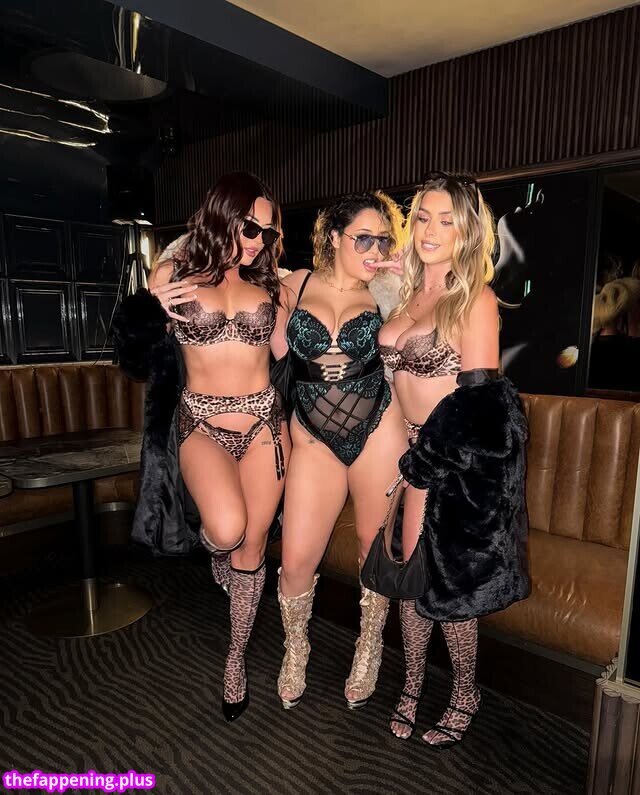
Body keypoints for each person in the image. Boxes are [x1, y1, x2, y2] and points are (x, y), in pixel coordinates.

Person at [113, 172, 291, 723]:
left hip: (265, 427)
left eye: (268, 231)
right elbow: (134, 355)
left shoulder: (273, 286)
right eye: (250, 227)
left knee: (253, 548)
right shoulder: (173, 274)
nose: (259, 240)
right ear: (222, 216)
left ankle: (235, 661)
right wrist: (148, 307)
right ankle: (219, 558)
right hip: (202, 425)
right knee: (228, 530)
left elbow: (293, 352)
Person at [377, 172, 530, 748]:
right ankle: (413, 684)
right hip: (403, 454)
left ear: (468, 232)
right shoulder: (406, 294)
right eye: (422, 217)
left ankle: (465, 692)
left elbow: (482, 404)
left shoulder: (477, 299)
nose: (430, 230)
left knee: (448, 587)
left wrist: (424, 461)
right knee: (410, 575)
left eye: (447, 221)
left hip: (449, 466)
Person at [275, 193, 409, 710]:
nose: (375, 250)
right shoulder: (294, 284)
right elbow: (222, 268)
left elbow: (448, 309)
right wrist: (163, 273)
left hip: (378, 428)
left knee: (372, 553)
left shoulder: (389, 290)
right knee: (295, 560)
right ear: (334, 237)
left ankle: (369, 647)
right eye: (364, 239)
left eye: (384, 241)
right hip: (313, 438)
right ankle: (296, 648)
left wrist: (409, 275)